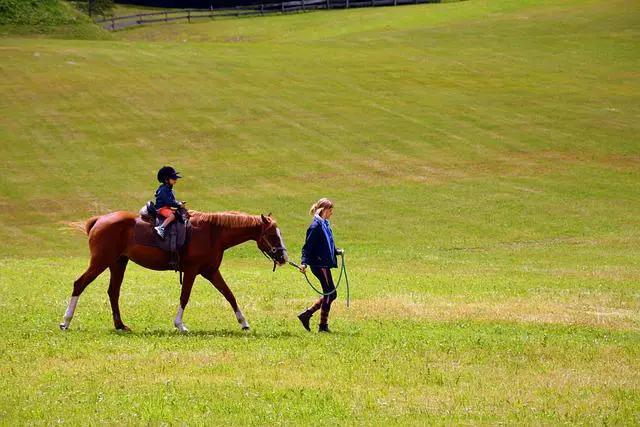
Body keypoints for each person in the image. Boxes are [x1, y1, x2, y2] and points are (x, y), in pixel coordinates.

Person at [297, 198, 344, 333]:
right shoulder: (315, 226)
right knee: (330, 293)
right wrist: (304, 263)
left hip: (324, 263)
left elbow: (327, 244)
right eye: (330, 210)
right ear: (323, 210)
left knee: (331, 294)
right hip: (319, 265)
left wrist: (336, 251)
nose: (331, 213)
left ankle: (306, 315)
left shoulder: (324, 225)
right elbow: (307, 247)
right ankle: (322, 326)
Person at [154, 166, 185, 240]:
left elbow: (172, 201)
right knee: (173, 215)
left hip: (166, 207)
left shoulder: (168, 188)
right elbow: (169, 201)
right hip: (161, 209)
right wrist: (178, 204)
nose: (175, 180)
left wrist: (178, 204)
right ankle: (161, 228)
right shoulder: (164, 189)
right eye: (173, 178)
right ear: (166, 180)